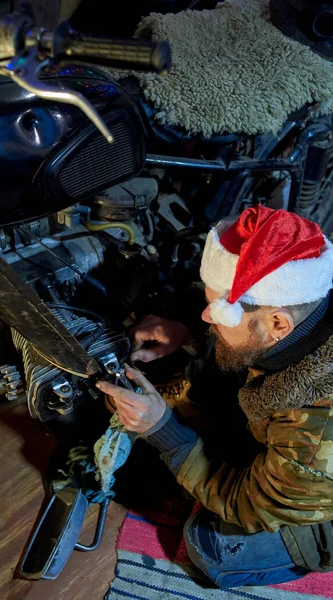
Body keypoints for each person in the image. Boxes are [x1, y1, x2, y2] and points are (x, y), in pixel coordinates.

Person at [96, 204, 333, 588]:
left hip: (321, 497)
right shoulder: (309, 305)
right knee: (223, 373)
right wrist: (185, 329)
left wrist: (163, 430)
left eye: (219, 312)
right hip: (302, 458)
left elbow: (247, 505)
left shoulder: (318, 442)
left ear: (279, 323)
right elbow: (244, 323)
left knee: (210, 547)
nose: (209, 317)